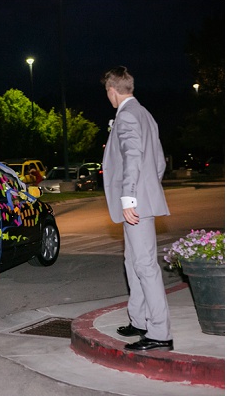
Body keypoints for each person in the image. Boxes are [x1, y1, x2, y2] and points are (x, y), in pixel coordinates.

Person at [100, 66, 173, 352]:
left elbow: (132, 157)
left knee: (144, 266)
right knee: (132, 262)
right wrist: (149, 188)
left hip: (136, 204)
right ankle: (140, 320)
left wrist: (131, 196)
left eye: (107, 93)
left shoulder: (128, 115)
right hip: (143, 199)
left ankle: (159, 333)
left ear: (112, 91)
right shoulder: (146, 114)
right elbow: (159, 163)